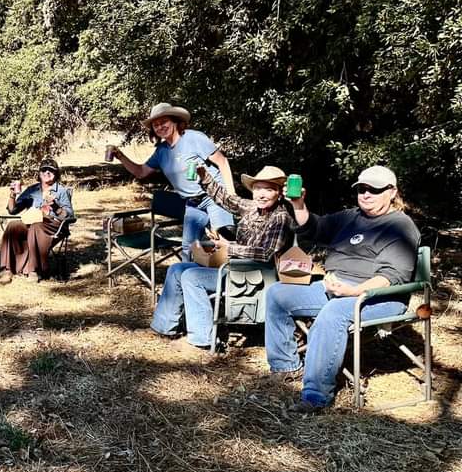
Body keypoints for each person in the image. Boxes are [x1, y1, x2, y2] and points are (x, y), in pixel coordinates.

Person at [264, 166, 420, 413]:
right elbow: (314, 228)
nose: (366, 194)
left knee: (334, 312)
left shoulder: (400, 226)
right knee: (278, 294)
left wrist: (353, 291)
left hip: (380, 295)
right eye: (361, 189)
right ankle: (286, 366)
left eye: (374, 190)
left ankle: (316, 396)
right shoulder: (350, 217)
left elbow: (393, 276)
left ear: (392, 192)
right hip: (337, 287)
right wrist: (298, 203)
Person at [151, 165, 296, 349]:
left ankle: (204, 339)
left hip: (253, 274)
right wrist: (205, 177)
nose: (261, 194)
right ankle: (165, 326)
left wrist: (229, 247)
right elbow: (226, 200)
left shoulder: (280, 217)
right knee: (177, 269)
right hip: (234, 265)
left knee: (191, 277)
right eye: (258, 188)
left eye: (268, 189)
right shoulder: (252, 207)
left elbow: (266, 253)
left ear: (279, 193)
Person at [107, 103, 236, 259]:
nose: (160, 127)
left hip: (214, 197)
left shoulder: (193, 138)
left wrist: (230, 195)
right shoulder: (162, 151)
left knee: (222, 243)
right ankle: (187, 279)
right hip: (192, 204)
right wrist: (120, 155)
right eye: (156, 125)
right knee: (188, 250)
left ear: (175, 121)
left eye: (164, 122)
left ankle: (231, 278)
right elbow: (140, 172)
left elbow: (223, 162)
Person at [0, 157, 74, 283]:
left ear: (56, 174)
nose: (47, 173)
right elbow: (13, 210)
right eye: (44, 170)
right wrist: (12, 195)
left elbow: (70, 216)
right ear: (39, 173)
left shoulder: (61, 191)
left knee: (36, 226)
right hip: (31, 221)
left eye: (51, 171)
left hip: (52, 224)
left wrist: (56, 207)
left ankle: (34, 270)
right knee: (13, 225)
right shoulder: (32, 190)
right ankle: (8, 269)